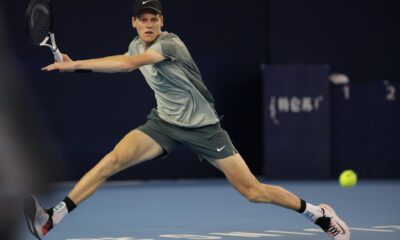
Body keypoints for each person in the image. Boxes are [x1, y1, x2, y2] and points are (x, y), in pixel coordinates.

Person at [23, 1, 350, 240]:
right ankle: (51, 219)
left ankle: (319, 214)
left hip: (205, 129)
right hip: (163, 124)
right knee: (112, 160)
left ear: (162, 21)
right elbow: (123, 61)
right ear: (134, 23)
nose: (149, 24)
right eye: (143, 19)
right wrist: (77, 65)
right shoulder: (135, 44)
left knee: (252, 191)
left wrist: (75, 64)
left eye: (154, 19)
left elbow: (126, 65)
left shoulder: (170, 43)